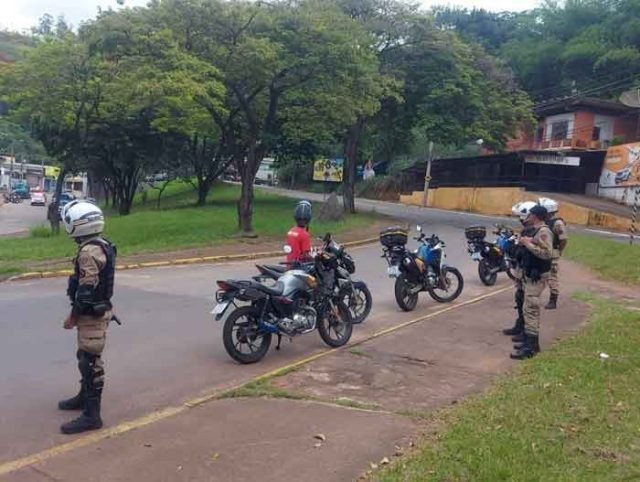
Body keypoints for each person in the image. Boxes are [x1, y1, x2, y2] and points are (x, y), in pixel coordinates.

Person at [58, 200, 117, 434]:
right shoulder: (102, 244)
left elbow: (87, 289)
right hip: (96, 311)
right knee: (85, 355)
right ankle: (84, 398)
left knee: (90, 362)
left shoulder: (88, 252)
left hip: (92, 314)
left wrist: (73, 316)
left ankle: (92, 416)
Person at [511, 204, 553, 360]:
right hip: (529, 274)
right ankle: (528, 341)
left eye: (530, 214)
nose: (528, 217)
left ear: (535, 216)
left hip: (537, 276)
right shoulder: (535, 230)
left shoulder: (544, 232)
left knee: (531, 309)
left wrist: (528, 244)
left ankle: (532, 347)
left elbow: (547, 254)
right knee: (527, 307)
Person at [502, 201, 538, 340]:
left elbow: (535, 252)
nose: (520, 220)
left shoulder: (535, 231)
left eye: (521, 217)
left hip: (529, 269)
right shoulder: (527, 230)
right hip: (522, 267)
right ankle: (521, 325)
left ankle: (527, 332)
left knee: (527, 303)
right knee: (520, 297)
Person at [538, 197, 568, 310]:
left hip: (552, 252)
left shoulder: (557, 223)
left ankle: (553, 299)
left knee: (551, 276)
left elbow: (563, 239)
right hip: (543, 250)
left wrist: (559, 250)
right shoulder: (544, 222)